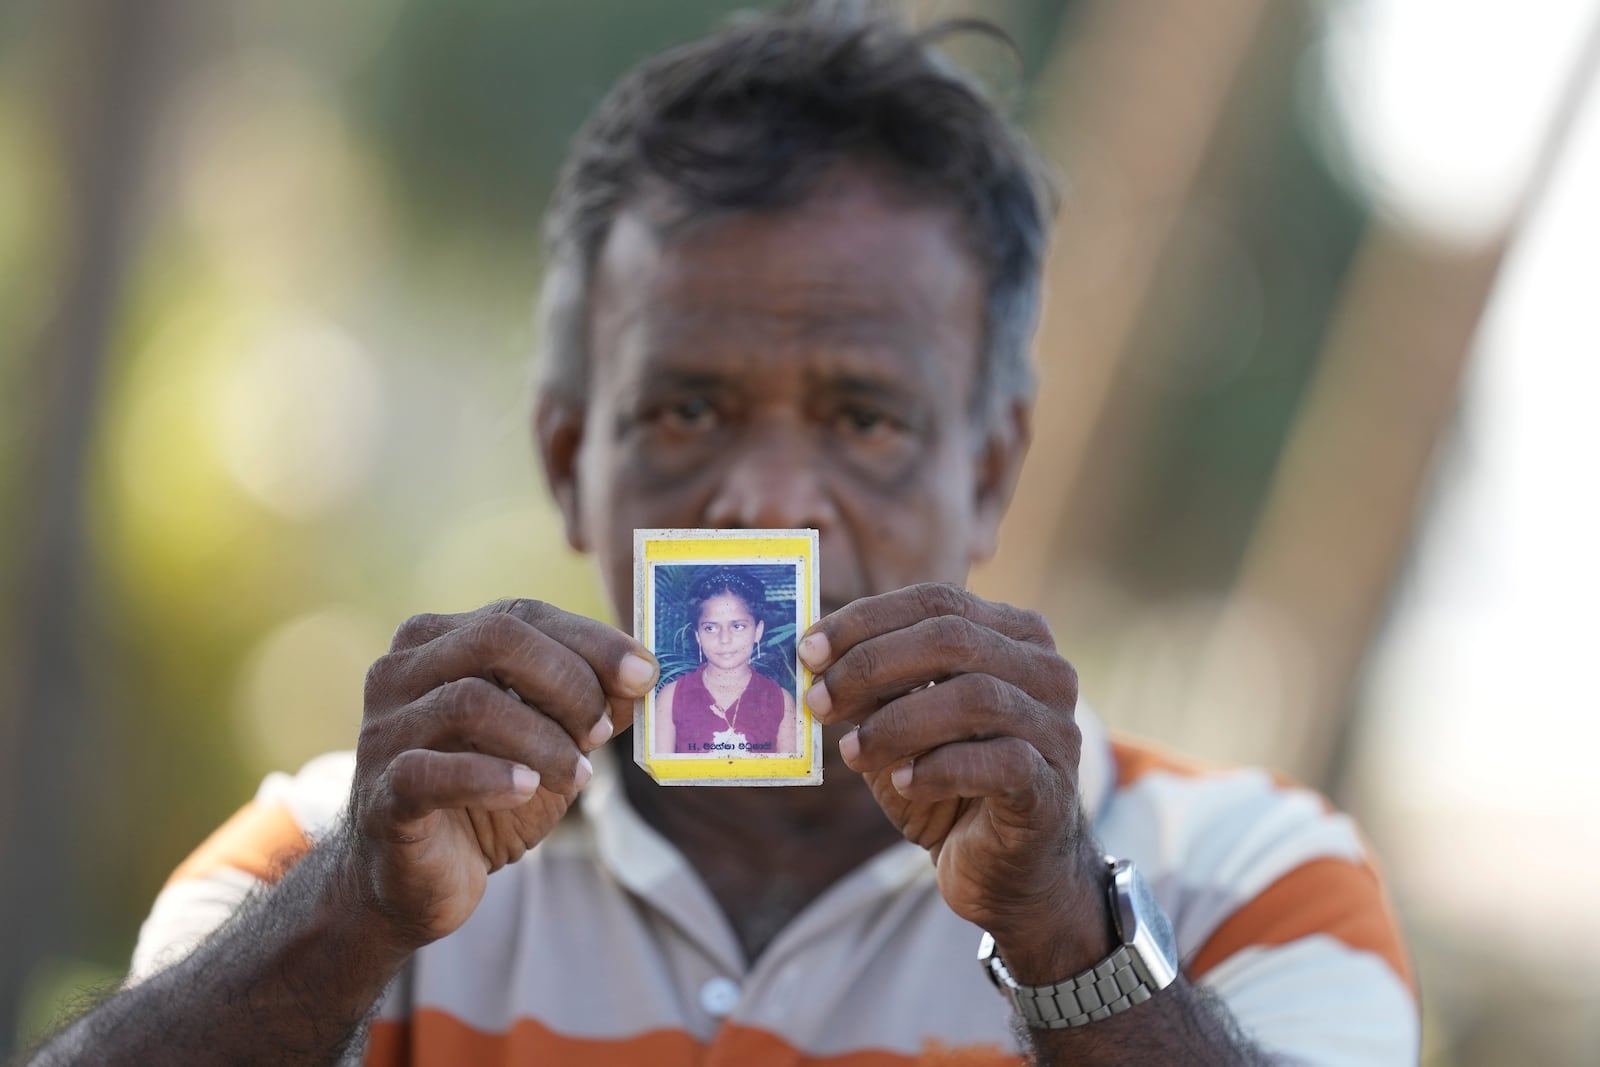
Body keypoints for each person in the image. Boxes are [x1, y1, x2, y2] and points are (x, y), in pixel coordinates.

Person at [27, 3, 1417, 1064]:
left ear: (991, 472)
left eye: (864, 416)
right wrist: (351, 916)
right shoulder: (341, 853)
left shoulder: (1250, 876)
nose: (765, 498)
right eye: (687, 408)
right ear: (573, 460)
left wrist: (1064, 929)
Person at [654, 570, 799, 756]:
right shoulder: (671, 697)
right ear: (698, 635)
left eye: (737, 626)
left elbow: (789, 776)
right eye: (711, 628)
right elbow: (659, 775)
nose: (724, 639)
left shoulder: (780, 700)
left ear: (758, 631)